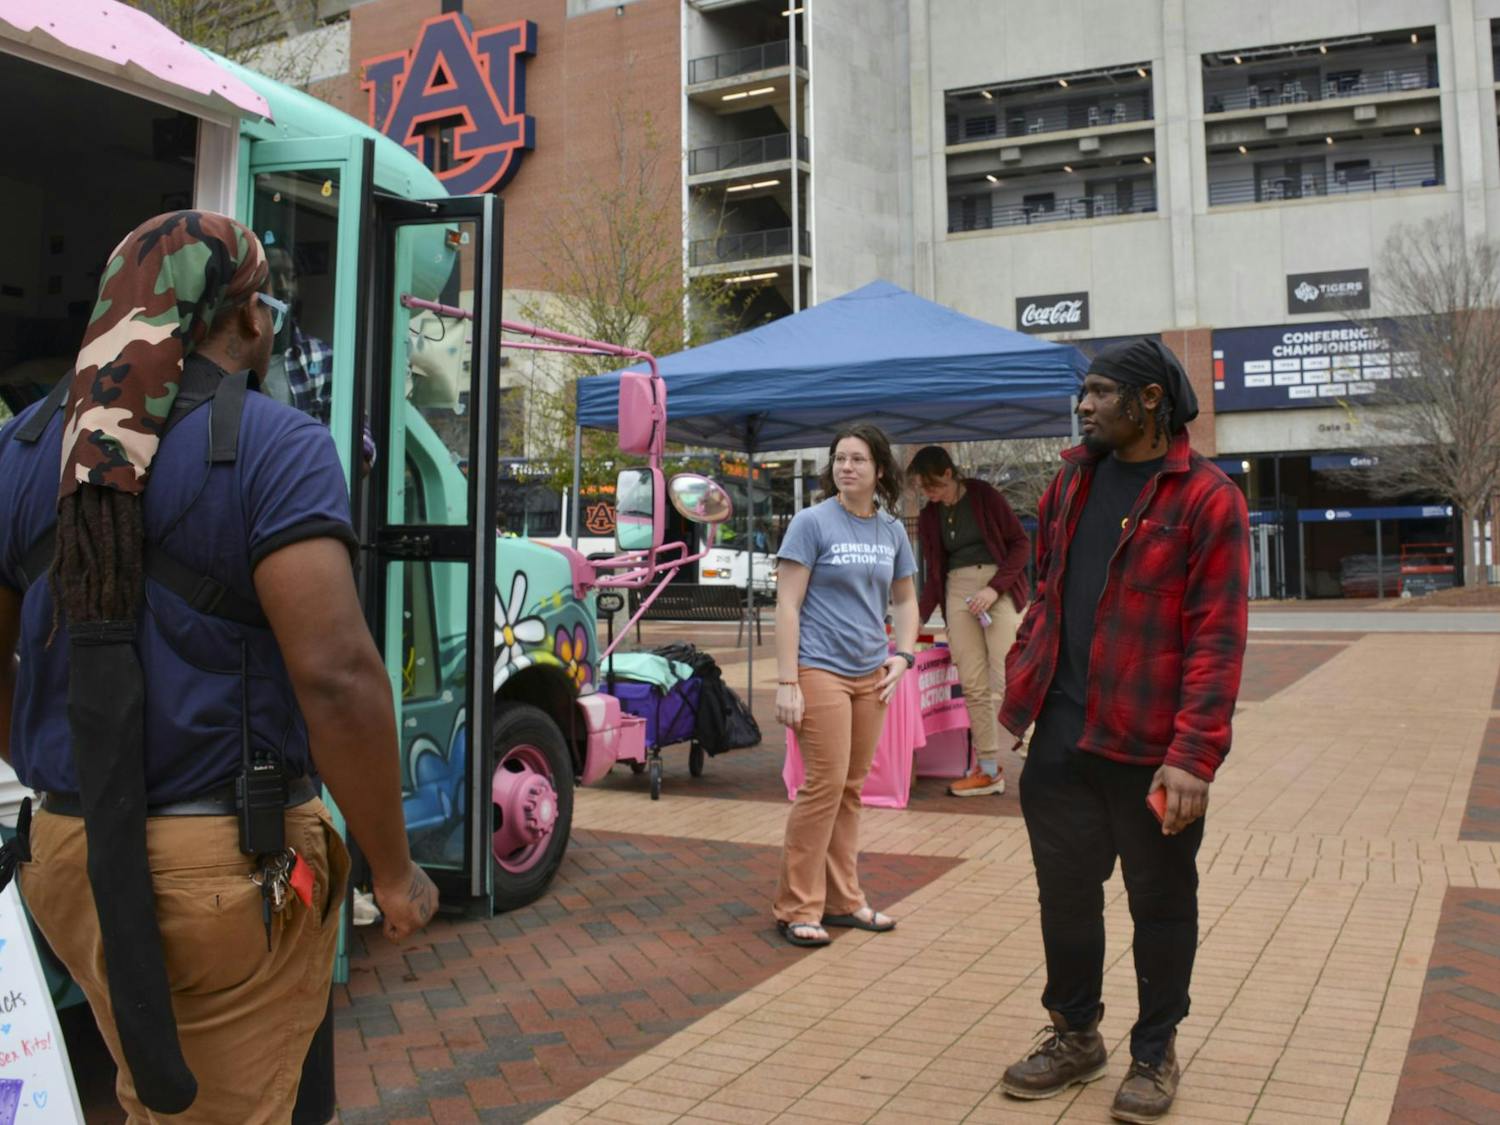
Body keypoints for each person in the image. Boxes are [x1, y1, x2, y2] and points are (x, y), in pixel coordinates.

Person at [0, 211, 436, 1122]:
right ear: (244, 317)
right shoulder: (276, 445)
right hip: (222, 869)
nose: (273, 323)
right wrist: (394, 872)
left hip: (67, 857)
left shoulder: (23, 451)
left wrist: (64, 770)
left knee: (161, 1095)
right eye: (267, 304)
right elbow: (338, 676)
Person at [996, 338, 1248, 1121]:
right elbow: (1048, 593)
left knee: (1161, 903)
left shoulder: (1208, 498)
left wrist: (1193, 757)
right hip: (1064, 741)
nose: (1086, 404)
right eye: (1086, 392)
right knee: (1066, 899)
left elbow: (1217, 637)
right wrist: (1024, 680)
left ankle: (1154, 1050)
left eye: (1102, 392)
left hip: (1150, 751)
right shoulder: (1071, 481)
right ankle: (1075, 1033)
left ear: (1147, 402)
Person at [772, 422, 918, 947]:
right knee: (824, 786)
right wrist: (787, 681)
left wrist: (903, 655)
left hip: (870, 673)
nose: (846, 467)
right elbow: (787, 604)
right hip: (819, 668)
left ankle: (843, 900)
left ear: (879, 469)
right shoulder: (811, 523)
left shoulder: (891, 531)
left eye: (857, 459)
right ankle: (797, 907)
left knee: (851, 790)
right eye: (839, 459)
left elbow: (904, 599)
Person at [907, 447, 1030, 797]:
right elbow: (934, 573)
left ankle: (1035, 744)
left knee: (1008, 673)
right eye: (923, 489)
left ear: (949, 474)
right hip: (956, 590)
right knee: (972, 683)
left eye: (933, 486)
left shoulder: (983, 496)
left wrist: (994, 589)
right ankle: (988, 769)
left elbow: (1021, 545)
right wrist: (915, 618)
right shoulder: (931, 516)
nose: (929, 495)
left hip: (996, 587)